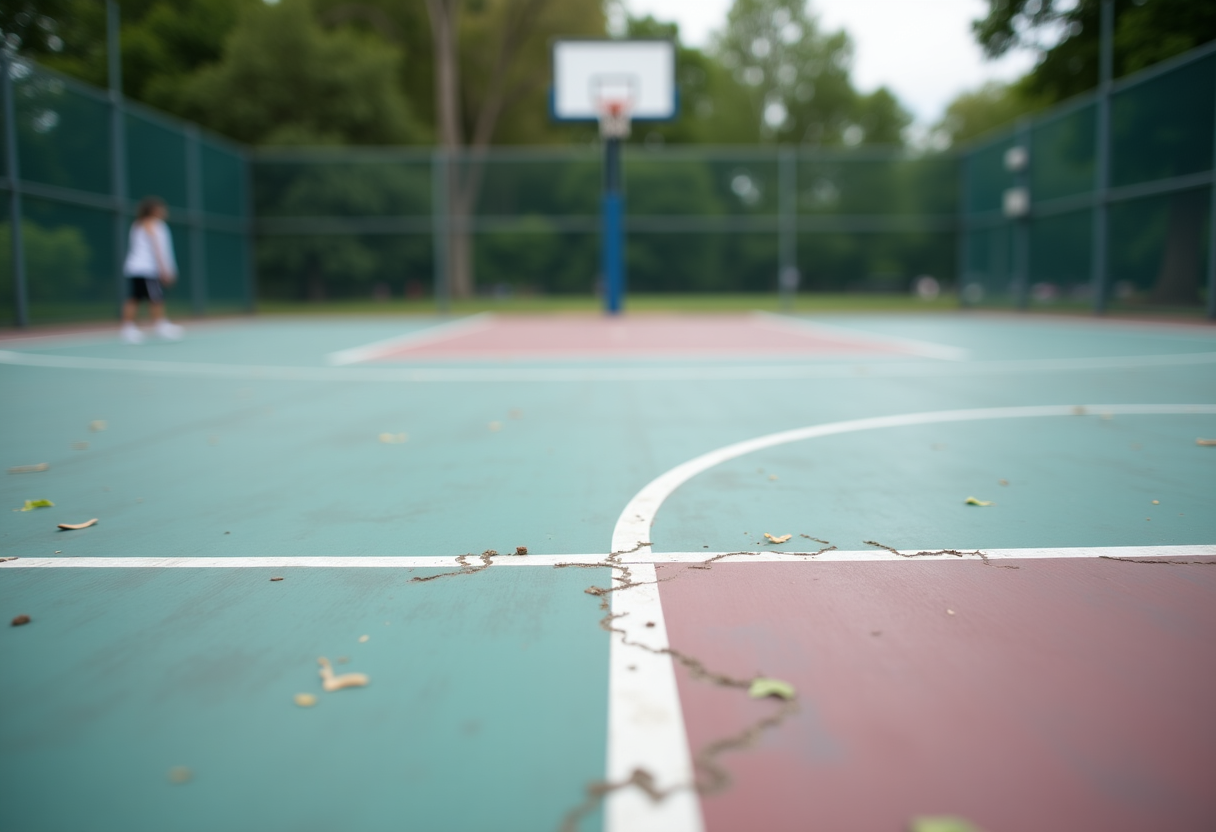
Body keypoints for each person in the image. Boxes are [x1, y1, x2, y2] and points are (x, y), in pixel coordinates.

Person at [121, 196, 184, 344]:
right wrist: (165, 269)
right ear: (153, 210)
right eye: (161, 208)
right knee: (155, 297)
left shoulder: (141, 223)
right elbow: (157, 248)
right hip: (146, 268)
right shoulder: (151, 223)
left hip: (138, 268)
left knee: (135, 297)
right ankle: (159, 325)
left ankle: (129, 328)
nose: (164, 210)